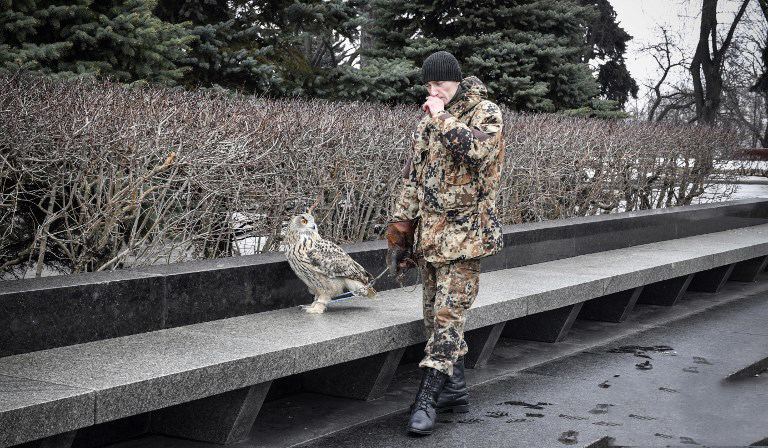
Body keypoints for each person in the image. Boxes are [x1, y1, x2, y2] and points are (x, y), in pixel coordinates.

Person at [386, 50, 505, 435]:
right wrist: (402, 234)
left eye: (441, 84)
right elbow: (412, 179)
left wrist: (440, 115)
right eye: (430, 85)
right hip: (431, 239)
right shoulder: (425, 124)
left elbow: (476, 154)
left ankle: (426, 400)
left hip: (467, 238)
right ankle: (453, 390)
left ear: (457, 81)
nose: (434, 91)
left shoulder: (486, 113)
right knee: (432, 319)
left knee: (448, 319)